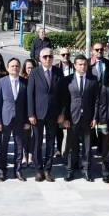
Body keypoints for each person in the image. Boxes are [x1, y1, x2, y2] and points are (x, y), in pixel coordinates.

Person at [64, 54, 104, 181]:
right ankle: (70, 170)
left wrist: (95, 117)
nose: (83, 67)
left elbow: (96, 100)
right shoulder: (68, 80)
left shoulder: (93, 80)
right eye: (80, 64)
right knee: (71, 145)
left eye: (85, 64)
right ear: (75, 66)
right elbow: (65, 101)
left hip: (88, 117)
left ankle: (86, 170)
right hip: (72, 117)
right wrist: (65, 118)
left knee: (87, 146)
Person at [28, 47, 64, 182]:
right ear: (40, 59)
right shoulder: (35, 72)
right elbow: (30, 94)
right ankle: (38, 170)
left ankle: (48, 170)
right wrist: (31, 113)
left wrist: (62, 113)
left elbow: (62, 95)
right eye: (45, 57)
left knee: (50, 143)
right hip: (38, 114)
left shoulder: (58, 72)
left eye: (50, 56)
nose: (48, 59)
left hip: (53, 114)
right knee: (37, 143)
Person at [0, 57, 28, 182]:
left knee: (19, 147)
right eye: (12, 66)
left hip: (20, 120)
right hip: (5, 120)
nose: (15, 68)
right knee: (3, 147)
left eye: (17, 66)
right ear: (8, 68)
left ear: (20, 68)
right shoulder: (1, 82)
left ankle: (18, 171)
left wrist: (27, 121)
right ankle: (2, 171)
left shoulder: (25, 82)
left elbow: (27, 103)